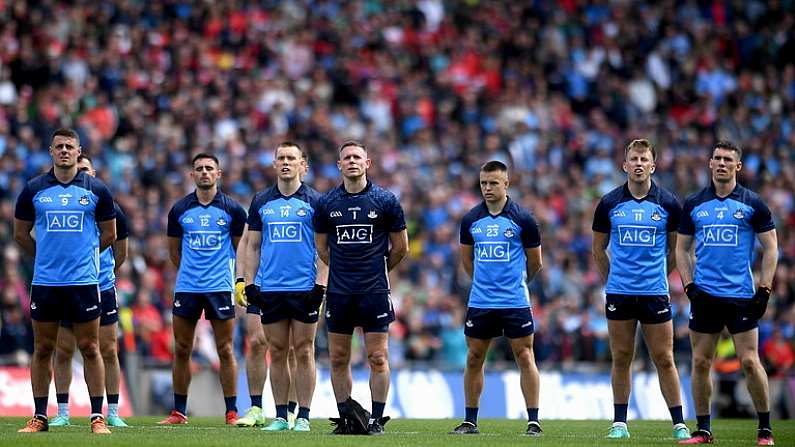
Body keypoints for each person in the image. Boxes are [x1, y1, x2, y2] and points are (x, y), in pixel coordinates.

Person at [14, 128, 117, 434]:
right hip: (46, 282)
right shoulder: (33, 189)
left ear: (78, 150)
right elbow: (21, 234)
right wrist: (45, 257)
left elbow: (109, 234)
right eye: (58, 146)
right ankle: (39, 416)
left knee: (90, 347)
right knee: (43, 348)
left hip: (84, 283)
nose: (63, 151)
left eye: (69, 147)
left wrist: (83, 257)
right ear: (50, 151)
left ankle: (97, 417)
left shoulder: (97, 190)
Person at [675, 141, 778, 446]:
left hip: (741, 296)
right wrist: (689, 285)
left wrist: (765, 289)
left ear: (738, 166)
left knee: (749, 361)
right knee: (700, 362)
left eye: (727, 159)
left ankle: (765, 430)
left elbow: (771, 247)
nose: (721, 163)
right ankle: (704, 430)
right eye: (717, 158)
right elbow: (681, 249)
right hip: (705, 296)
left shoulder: (752, 203)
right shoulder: (694, 204)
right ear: (710, 164)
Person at [591, 139, 690, 440]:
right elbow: (598, 250)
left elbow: (676, 250)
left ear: (652, 166)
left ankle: (679, 423)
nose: (638, 163)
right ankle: (620, 423)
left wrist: (658, 275)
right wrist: (613, 279)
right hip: (620, 292)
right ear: (624, 165)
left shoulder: (668, 203)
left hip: (654, 292)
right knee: (621, 356)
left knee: (664, 357)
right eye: (633, 158)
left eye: (643, 159)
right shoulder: (609, 203)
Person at [313, 141, 408, 435]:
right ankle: (346, 417)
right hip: (340, 294)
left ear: (368, 163)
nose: (352, 161)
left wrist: (375, 271)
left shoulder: (386, 200)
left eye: (357, 157)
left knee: (377, 357)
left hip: (374, 293)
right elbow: (323, 249)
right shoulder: (327, 203)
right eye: (346, 158)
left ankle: (376, 418)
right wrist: (344, 272)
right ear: (339, 165)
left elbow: (400, 247)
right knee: (339, 358)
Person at [449, 160, 543, 436]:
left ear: (506, 184)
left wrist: (515, 283)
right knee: (475, 357)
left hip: (515, 302)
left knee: (525, 356)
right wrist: (484, 283)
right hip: (481, 302)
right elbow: (467, 261)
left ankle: (533, 421)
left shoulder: (524, 219)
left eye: (493, 183)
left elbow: (535, 263)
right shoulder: (470, 220)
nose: (487, 188)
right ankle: (470, 421)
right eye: (483, 183)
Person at [242, 141, 327, 432]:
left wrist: (320, 285)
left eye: (292, 157)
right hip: (271, 288)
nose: (286, 162)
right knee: (277, 351)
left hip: (305, 287)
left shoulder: (317, 202)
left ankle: (302, 416)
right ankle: (280, 416)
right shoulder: (261, 201)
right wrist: (250, 283)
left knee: (304, 351)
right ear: (274, 164)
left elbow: (325, 248)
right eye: (281, 158)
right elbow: (252, 245)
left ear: (303, 164)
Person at [158, 153, 247, 425]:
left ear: (218, 174)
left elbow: (240, 249)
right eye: (199, 168)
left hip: (220, 287)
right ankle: (179, 412)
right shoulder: (179, 210)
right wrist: (192, 272)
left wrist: (232, 278)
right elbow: (174, 252)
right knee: (182, 348)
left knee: (225, 349)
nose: (205, 172)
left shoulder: (233, 210)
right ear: (192, 175)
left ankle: (231, 411)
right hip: (188, 288)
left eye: (210, 168)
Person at [50, 154, 130, 428]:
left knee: (107, 349)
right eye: (79, 170)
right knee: (63, 350)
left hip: (102, 286)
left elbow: (121, 252)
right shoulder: (64, 207)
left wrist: (102, 272)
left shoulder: (112, 210)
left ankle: (113, 412)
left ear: (94, 173)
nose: (82, 174)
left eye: (86, 170)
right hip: (67, 285)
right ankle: (62, 412)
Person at [233, 224, 301, 428]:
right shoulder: (261, 203)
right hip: (261, 283)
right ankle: (256, 409)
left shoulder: (307, 199)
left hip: (293, 282)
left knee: (289, 349)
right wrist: (241, 279)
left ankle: (289, 411)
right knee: (255, 342)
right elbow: (246, 242)